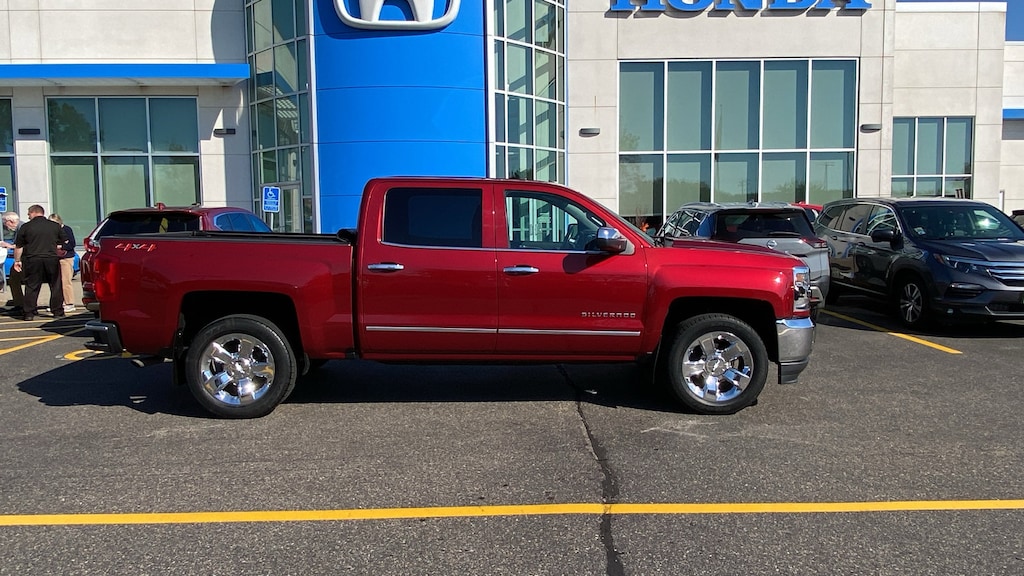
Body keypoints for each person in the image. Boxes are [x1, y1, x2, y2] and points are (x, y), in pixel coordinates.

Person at [12, 205, 67, 321]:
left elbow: (19, 246)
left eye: (28, 213)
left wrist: (17, 261)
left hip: (33, 259)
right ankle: (57, 311)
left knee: (32, 286)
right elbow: (64, 241)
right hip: (51, 258)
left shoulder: (26, 227)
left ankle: (29, 313)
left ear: (33, 213)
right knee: (56, 285)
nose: (28, 216)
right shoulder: (54, 226)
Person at [49, 213, 77, 313]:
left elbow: (72, 244)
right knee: (57, 282)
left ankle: (69, 303)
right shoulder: (52, 231)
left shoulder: (66, 229)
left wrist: (61, 246)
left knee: (66, 281)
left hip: (66, 258)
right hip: (55, 258)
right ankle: (58, 303)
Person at [1, 211, 24, 313]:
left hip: (25, 259)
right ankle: (20, 303)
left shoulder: (22, 228)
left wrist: (7, 245)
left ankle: (22, 304)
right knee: (14, 279)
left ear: (10, 221)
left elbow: (21, 245)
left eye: (5, 224)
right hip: (25, 258)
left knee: (16, 279)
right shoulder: (20, 227)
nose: (6, 227)